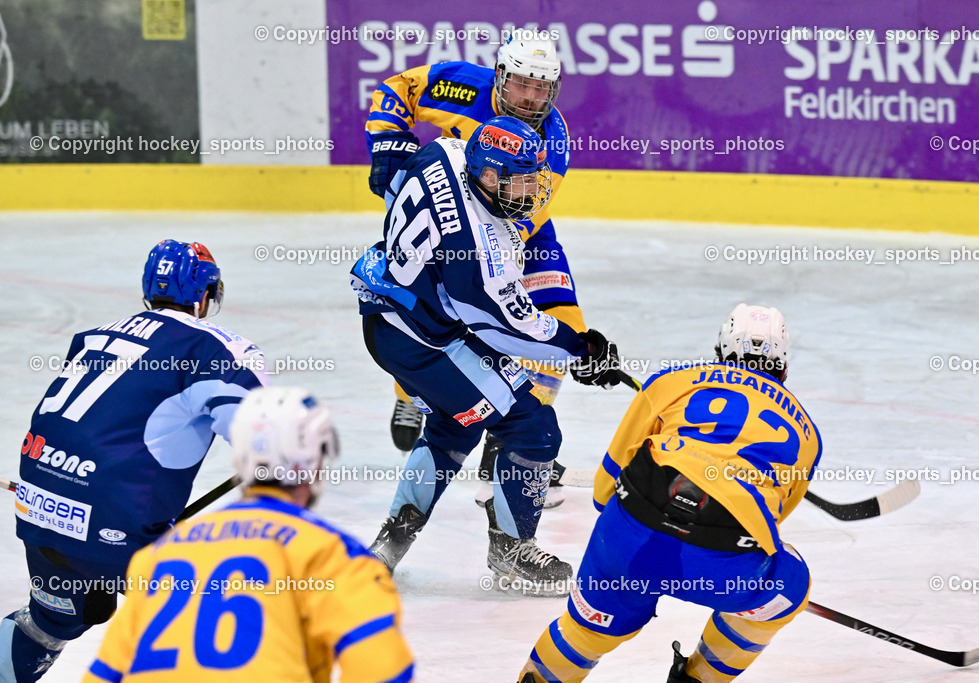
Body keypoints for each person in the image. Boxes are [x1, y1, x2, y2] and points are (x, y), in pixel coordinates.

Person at [351, 116, 620, 596]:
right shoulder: (479, 247)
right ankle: (512, 552)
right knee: (532, 426)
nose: (531, 191)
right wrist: (581, 349)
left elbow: (391, 175)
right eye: (520, 180)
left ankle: (390, 544)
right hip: (426, 341)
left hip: (393, 316)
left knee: (456, 424)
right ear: (490, 176)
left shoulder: (445, 151)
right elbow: (508, 327)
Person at [1, 240, 268, 682]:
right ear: (204, 295)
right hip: (116, 526)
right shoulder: (218, 349)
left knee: (48, 624)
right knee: (230, 616)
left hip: (39, 511)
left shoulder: (93, 337)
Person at [518, 304, 823, 682]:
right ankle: (697, 679)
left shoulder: (672, 381)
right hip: (723, 560)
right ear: (783, 367)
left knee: (586, 633)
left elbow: (604, 489)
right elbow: (767, 528)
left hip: (629, 536)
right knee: (792, 584)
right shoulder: (806, 432)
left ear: (720, 352)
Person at [365, 30, 585, 509]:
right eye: (521, 84)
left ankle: (505, 446)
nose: (529, 99)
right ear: (500, 76)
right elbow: (396, 89)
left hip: (514, 231)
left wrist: (499, 275)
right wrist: (386, 143)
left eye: (541, 89)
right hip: (448, 224)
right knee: (434, 321)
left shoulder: (553, 139)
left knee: (564, 324)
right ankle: (412, 392)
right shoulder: (463, 85)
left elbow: (519, 218)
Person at [82, 386, 416, 683]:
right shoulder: (333, 555)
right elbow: (384, 671)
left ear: (240, 458)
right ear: (316, 462)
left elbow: (104, 673)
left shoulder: (158, 555)